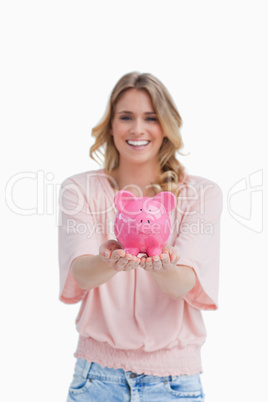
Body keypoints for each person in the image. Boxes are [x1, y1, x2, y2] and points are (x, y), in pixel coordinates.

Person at [58, 72, 223, 401]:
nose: (137, 129)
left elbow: (185, 284)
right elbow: (82, 272)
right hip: (97, 378)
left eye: (151, 117)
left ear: (167, 126)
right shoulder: (79, 190)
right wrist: (111, 262)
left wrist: (160, 266)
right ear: (110, 127)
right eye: (126, 117)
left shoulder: (202, 194)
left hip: (174, 383)